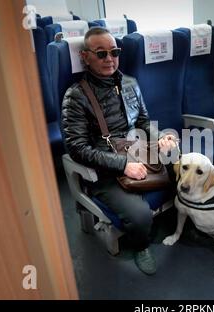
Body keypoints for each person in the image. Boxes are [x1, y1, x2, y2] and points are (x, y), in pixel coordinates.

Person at [61, 27, 177, 275]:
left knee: (181, 169)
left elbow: (144, 122)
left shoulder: (130, 83)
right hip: (105, 171)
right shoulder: (76, 97)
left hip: (139, 151)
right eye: (101, 53)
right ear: (85, 57)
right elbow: (77, 148)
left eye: (114, 52)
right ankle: (141, 246)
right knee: (140, 216)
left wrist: (160, 139)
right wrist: (122, 165)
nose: (109, 58)